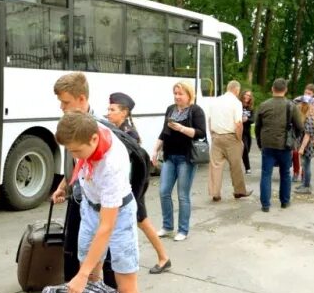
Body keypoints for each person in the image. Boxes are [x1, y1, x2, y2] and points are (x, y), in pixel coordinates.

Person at [54, 111, 145, 293]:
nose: (74, 154)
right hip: (90, 210)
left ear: (95, 140)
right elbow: (79, 162)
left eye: (78, 150)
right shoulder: (85, 135)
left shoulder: (113, 164)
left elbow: (107, 228)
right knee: (92, 285)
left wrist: (80, 274)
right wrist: (65, 186)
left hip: (117, 217)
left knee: (126, 289)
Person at [51, 72, 117, 288]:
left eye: (65, 102)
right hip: (77, 198)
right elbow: (76, 164)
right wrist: (64, 185)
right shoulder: (71, 123)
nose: (61, 107)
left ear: (81, 99)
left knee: (96, 255)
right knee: (71, 250)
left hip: (96, 204)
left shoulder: (99, 129)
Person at [106, 92, 171, 274]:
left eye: (112, 109)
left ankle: (163, 258)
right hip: (128, 185)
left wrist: (133, 194)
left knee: (141, 221)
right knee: (140, 221)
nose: (108, 112)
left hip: (133, 186)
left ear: (124, 112)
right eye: (108, 109)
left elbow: (129, 165)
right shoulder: (117, 129)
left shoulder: (129, 134)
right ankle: (163, 258)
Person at [152, 81, 206, 242]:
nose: (177, 97)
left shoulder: (196, 110)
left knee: (183, 195)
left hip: (186, 158)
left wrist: (181, 128)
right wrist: (155, 150)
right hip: (169, 156)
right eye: (175, 93)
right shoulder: (171, 109)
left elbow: (201, 133)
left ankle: (183, 229)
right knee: (163, 192)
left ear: (189, 95)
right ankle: (167, 226)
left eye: (180, 94)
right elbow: (164, 132)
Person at [254, 78, 304, 212]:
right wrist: (294, 139)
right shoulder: (291, 106)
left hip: (267, 144)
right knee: (285, 173)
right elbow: (300, 126)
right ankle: (284, 201)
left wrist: (260, 142)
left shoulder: (263, 105)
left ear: (272, 89)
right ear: (285, 90)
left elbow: (257, 126)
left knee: (266, 174)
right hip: (285, 145)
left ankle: (265, 205)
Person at [208, 80, 252, 202]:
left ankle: (215, 193)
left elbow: (210, 120)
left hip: (216, 137)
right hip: (231, 137)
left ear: (227, 88)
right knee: (236, 165)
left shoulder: (215, 101)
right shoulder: (236, 103)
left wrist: (212, 135)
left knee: (215, 166)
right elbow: (238, 124)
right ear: (237, 90)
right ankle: (239, 191)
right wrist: (239, 139)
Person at [292, 84, 314, 182]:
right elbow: (293, 103)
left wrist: (302, 147)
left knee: (306, 159)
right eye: (306, 92)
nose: (307, 95)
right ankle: (297, 173)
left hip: (308, 133)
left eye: (309, 93)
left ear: (313, 94)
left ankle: (305, 180)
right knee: (297, 154)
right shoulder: (299, 100)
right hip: (300, 131)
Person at [295, 97, 314, 195]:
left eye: (301, 104)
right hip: (306, 146)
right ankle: (305, 184)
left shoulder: (309, 118)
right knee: (305, 165)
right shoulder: (307, 116)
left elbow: (307, 135)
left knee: (306, 166)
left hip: (307, 147)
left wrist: (301, 148)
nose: (299, 105)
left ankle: (306, 186)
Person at [240, 89, 255, 175]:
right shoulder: (238, 105)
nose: (247, 97)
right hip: (239, 131)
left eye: (249, 95)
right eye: (246, 95)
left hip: (247, 131)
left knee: (247, 149)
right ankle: (248, 168)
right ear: (243, 95)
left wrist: (246, 119)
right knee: (244, 148)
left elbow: (253, 119)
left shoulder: (250, 108)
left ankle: (240, 161)